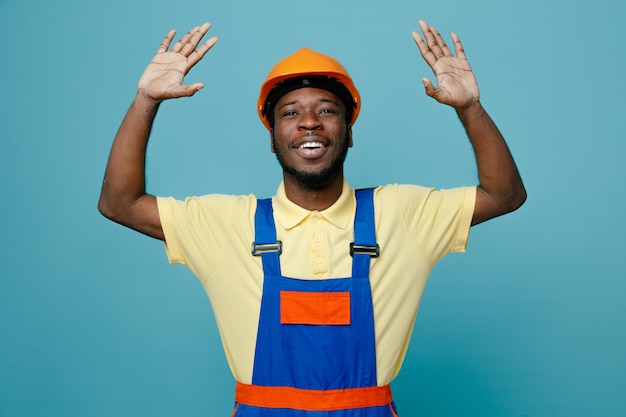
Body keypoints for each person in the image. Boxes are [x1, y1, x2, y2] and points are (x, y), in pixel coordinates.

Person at [98, 19, 526, 417]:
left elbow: (504, 194)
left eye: (326, 110)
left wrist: (470, 107)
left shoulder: (403, 214)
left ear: (349, 132)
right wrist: (145, 101)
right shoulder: (228, 222)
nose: (309, 123)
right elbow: (119, 203)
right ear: (272, 139)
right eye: (289, 113)